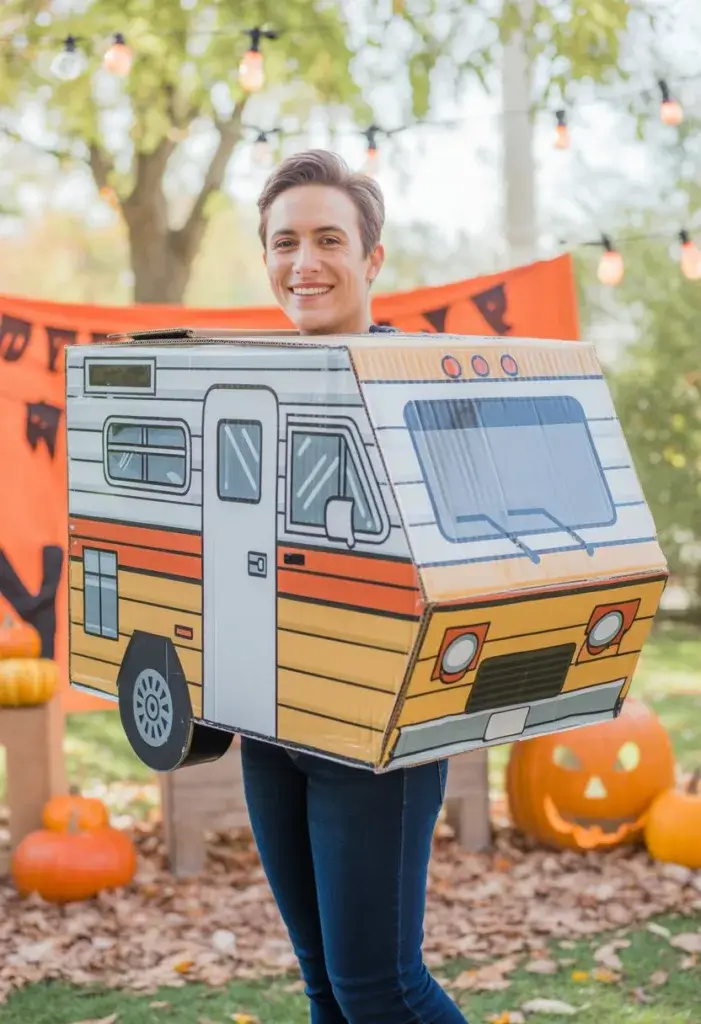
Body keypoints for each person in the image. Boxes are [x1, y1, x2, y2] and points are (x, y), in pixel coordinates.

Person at [238, 149, 468, 1023]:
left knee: (381, 988)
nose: (304, 263)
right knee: (322, 980)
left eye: (328, 239)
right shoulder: (246, 383)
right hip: (272, 723)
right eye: (284, 242)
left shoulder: (422, 383)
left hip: (374, 732)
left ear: (372, 259)